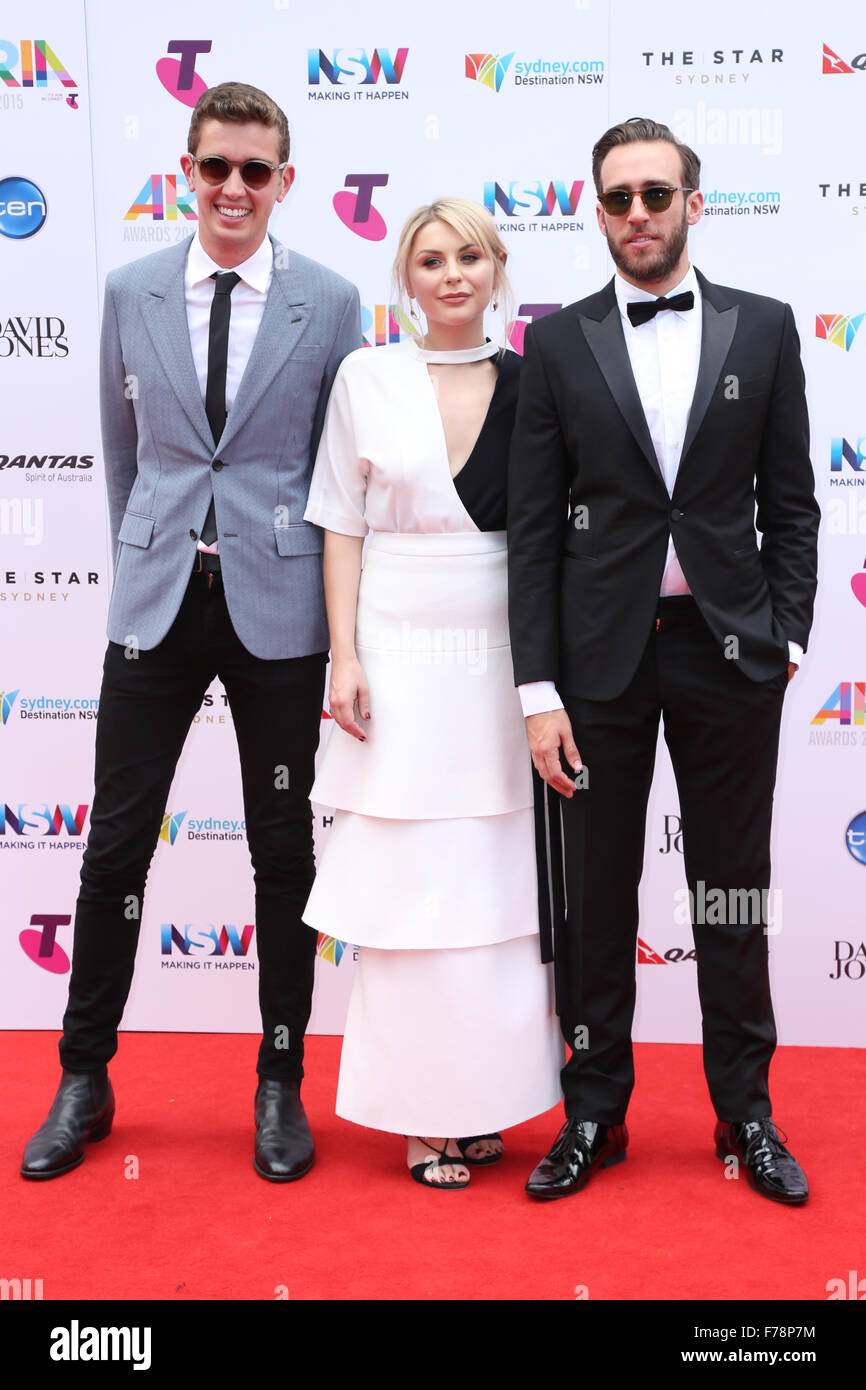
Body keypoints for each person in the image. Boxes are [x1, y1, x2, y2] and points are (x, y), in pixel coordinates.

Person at [20, 82, 361, 1183]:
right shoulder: (129, 290)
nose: (232, 188)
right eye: (214, 166)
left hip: (278, 603)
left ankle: (278, 1081)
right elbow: (125, 454)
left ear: (284, 183)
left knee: (278, 853)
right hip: (158, 597)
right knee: (115, 842)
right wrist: (153, 546)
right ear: (186, 171)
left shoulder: (332, 298)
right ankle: (84, 1074)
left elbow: (329, 466)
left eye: (254, 170)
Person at [507, 117, 819, 1204]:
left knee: (731, 891)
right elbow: (534, 531)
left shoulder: (765, 329)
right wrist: (534, 686)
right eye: (615, 197)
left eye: (653, 193)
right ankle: (593, 1110)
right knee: (594, 899)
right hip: (595, 664)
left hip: (728, 654)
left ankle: (744, 1114)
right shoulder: (553, 344)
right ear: (594, 211)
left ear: (694, 201)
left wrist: (786, 629)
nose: (635, 213)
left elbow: (790, 503)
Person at [302, 198, 562, 1189]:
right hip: (396, 661)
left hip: (502, 661)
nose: (450, 274)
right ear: (404, 281)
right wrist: (344, 655)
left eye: (467, 256)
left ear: (496, 270)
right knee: (410, 895)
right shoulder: (365, 376)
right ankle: (420, 1115)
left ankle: (485, 1104)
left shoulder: (534, 385)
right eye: (428, 259)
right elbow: (339, 524)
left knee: (492, 895)